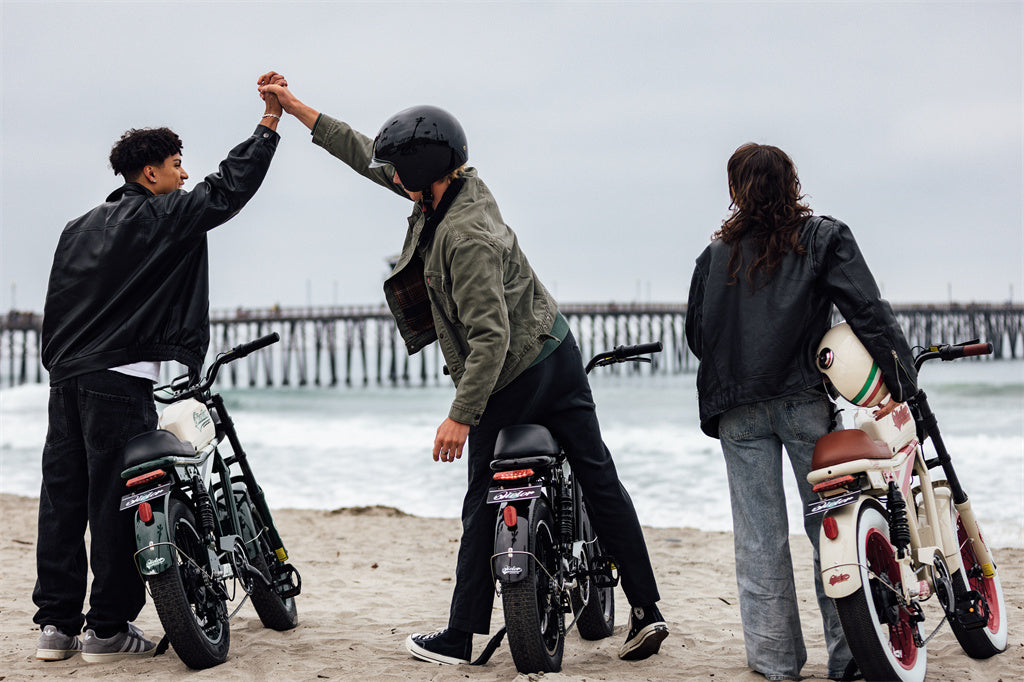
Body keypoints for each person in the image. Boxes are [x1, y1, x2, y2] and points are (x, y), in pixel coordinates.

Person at [257, 71, 669, 665]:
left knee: (482, 497)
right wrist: (296, 110)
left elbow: (490, 338)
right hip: (558, 348)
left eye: (400, 171)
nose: (391, 177)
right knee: (598, 475)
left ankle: (460, 634)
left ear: (421, 174)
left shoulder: (464, 235)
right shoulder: (453, 187)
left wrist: (460, 416)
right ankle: (646, 610)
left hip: (516, 371)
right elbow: (365, 158)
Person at [33, 87, 282, 663]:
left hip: (65, 377)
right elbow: (227, 189)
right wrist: (269, 122)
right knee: (117, 502)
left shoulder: (77, 227)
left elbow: (58, 302)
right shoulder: (162, 214)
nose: (184, 174)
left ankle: (56, 628)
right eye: (176, 166)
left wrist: (62, 363)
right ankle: (107, 630)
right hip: (116, 382)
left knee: (62, 501)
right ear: (150, 173)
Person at [685, 143, 918, 681]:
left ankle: (775, 665)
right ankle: (850, 658)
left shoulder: (713, 256)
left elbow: (699, 336)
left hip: (737, 411)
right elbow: (867, 310)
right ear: (791, 182)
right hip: (803, 404)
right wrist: (901, 379)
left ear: (735, 190)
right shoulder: (821, 238)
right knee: (832, 529)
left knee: (758, 539)